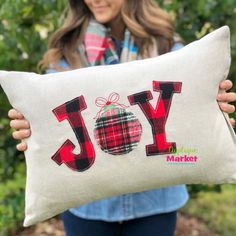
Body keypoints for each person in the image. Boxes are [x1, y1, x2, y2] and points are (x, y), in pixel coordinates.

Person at [8, 0, 236, 235]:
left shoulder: (165, 43)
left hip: (158, 201)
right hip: (87, 208)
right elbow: (48, 116)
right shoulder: (68, 49)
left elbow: (192, 97)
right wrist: (29, 124)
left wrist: (213, 102)